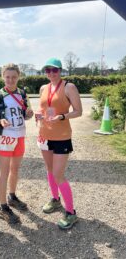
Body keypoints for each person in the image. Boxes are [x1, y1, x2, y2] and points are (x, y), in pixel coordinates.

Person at [37, 58, 82, 230]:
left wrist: (62, 116)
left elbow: (78, 111)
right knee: (49, 170)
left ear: (60, 71)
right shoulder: (43, 88)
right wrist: (39, 115)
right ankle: (55, 200)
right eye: (47, 70)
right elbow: (44, 109)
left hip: (62, 136)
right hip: (44, 135)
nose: (51, 73)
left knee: (58, 174)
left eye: (54, 70)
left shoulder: (68, 87)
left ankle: (71, 212)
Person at [0, 63, 33, 224]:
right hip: (5, 137)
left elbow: (27, 114)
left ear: (18, 77)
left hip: (20, 135)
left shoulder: (23, 94)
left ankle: (12, 196)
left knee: (15, 169)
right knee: (4, 172)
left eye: (14, 77)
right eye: (7, 77)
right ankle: (3, 208)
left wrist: (29, 114)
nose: (10, 80)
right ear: (3, 77)